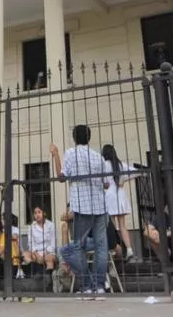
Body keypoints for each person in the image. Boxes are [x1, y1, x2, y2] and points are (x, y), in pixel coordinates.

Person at [50, 125, 110, 296]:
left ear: (74, 138)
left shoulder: (71, 153)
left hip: (82, 206)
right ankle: (100, 286)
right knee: (101, 247)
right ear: (89, 138)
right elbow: (106, 184)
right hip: (100, 206)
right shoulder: (98, 156)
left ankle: (86, 285)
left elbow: (61, 177)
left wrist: (56, 155)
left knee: (77, 246)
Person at [101, 144, 136, 260]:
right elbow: (136, 172)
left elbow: (101, 180)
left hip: (109, 196)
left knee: (112, 226)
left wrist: (104, 184)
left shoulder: (104, 165)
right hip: (120, 195)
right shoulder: (120, 164)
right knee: (122, 225)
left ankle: (114, 249)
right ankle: (129, 249)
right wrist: (123, 180)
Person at [21, 206, 56, 274]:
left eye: (39, 212)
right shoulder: (31, 227)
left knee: (48, 258)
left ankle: (48, 276)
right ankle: (38, 271)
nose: (37, 215)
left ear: (44, 213)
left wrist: (45, 254)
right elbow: (30, 243)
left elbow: (53, 243)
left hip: (48, 252)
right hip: (36, 253)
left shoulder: (51, 225)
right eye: (35, 213)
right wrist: (36, 254)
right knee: (25, 255)